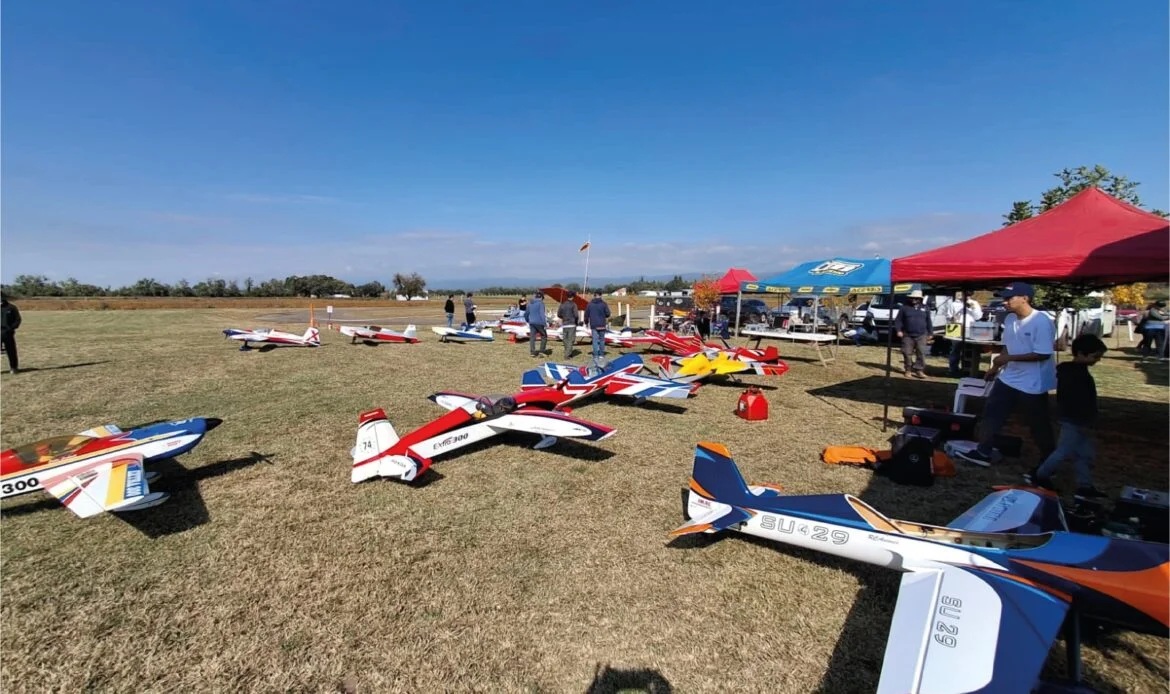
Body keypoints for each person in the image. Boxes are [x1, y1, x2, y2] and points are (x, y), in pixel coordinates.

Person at [955, 282, 1057, 468]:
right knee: (992, 413)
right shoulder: (1010, 319)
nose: (1005, 302)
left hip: (1033, 382)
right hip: (1009, 377)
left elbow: (1043, 354)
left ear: (1025, 299)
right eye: (1004, 298)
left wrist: (1009, 358)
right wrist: (994, 368)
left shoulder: (1041, 322)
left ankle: (1049, 460)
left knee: (1038, 423)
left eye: (1009, 298)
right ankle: (983, 451)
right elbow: (1008, 346)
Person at [1025, 334, 1107, 499]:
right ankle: (1040, 475)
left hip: (1082, 421)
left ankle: (1085, 486)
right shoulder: (1073, 375)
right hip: (1074, 420)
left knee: (1084, 454)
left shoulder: (1077, 372)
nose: (1097, 360)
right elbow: (1072, 400)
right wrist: (1083, 417)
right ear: (1081, 353)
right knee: (1063, 451)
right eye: (1095, 356)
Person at [893, 289, 931, 378]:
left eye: (916, 298)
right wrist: (898, 330)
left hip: (922, 334)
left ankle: (919, 370)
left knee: (921, 353)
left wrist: (930, 333)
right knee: (906, 352)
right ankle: (908, 369)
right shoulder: (904, 308)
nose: (914, 299)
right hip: (907, 335)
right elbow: (898, 320)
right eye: (912, 298)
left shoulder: (925, 308)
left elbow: (928, 321)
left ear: (920, 299)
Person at [944, 292, 983, 377]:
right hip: (956, 329)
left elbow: (978, 317)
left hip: (969, 329)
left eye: (969, 295)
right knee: (955, 350)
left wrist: (972, 307)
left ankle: (967, 370)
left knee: (969, 350)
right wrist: (952, 318)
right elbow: (948, 316)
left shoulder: (974, 303)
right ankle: (953, 370)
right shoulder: (953, 304)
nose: (967, 296)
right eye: (965, 294)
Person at [584, 290, 611, 367]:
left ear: (594, 295)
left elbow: (586, 315)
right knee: (602, 340)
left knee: (595, 340)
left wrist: (586, 322)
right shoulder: (604, 304)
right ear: (601, 295)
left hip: (594, 325)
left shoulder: (590, 304)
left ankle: (595, 355)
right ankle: (601, 354)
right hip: (602, 324)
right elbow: (608, 314)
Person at [1, 294, 21, 374]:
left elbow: (17, 320)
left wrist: (11, 328)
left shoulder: (11, 307)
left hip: (7, 333)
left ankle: (13, 367)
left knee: (11, 351)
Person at [557, 291, 580, 359]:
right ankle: (567, 354)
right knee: (571, 340)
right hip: (572, 324)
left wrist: (563, 317)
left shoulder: (562, 304)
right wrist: (576, 322)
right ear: (572, 297)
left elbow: (559, 314)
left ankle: (568, 351)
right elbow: (576, 315)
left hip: (565, 324)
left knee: (565, 339)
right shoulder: (574, 305)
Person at [525, 291, 548, 357]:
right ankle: (542, 351)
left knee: (532, 337)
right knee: (544, 336)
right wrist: (545, 324)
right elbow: (542, 314)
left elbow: (526, 313)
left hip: (531, 322)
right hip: (539, 322)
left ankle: (532, 352)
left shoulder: (530, 303)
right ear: (541, 297)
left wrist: (527, 320)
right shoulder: (541, 303)